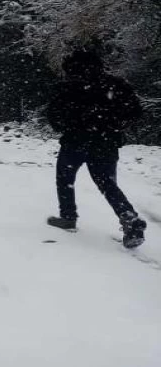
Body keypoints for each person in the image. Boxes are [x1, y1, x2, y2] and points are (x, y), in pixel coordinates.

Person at [46, 49, 146, 248]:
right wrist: (115, 125)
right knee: (107, 184)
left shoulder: (68, 87)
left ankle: (68, 217)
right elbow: (135, 110)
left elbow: (54, 116)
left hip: (76, 141)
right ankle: (129, 218)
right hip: (106, 142)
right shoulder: (116, 85)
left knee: (65, 178)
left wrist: (72, 123)